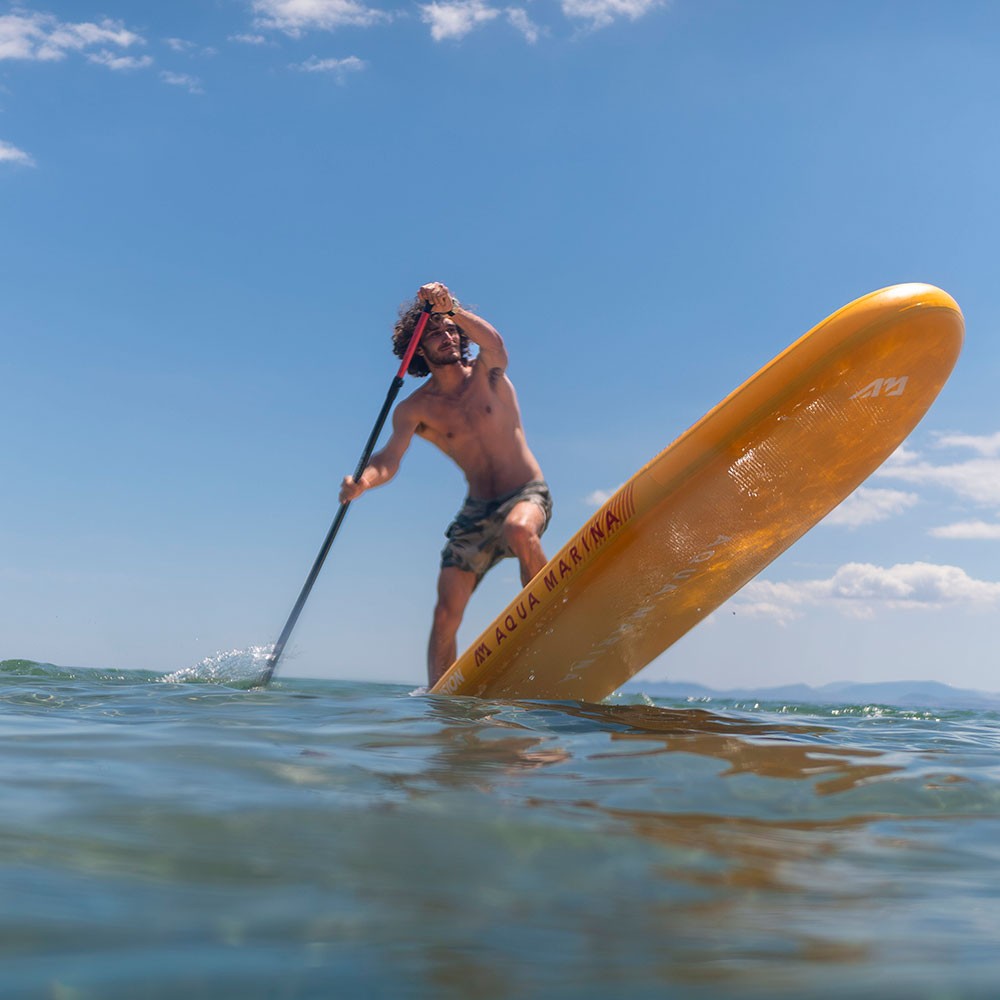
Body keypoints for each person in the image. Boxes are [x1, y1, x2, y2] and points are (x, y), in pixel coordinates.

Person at [339, 281, 552, 687]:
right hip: (477, 510)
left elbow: (496, 343)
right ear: (419, 349)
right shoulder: (415, 409)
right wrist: (362, 483)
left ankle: (548, 621)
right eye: (435, 332)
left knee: (519, 529)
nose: (447, 336)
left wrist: (449, 307)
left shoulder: (488, 373)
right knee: (444, 614)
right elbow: (388, 459)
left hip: (526, 492)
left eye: (450, 329)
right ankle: (441, 699)